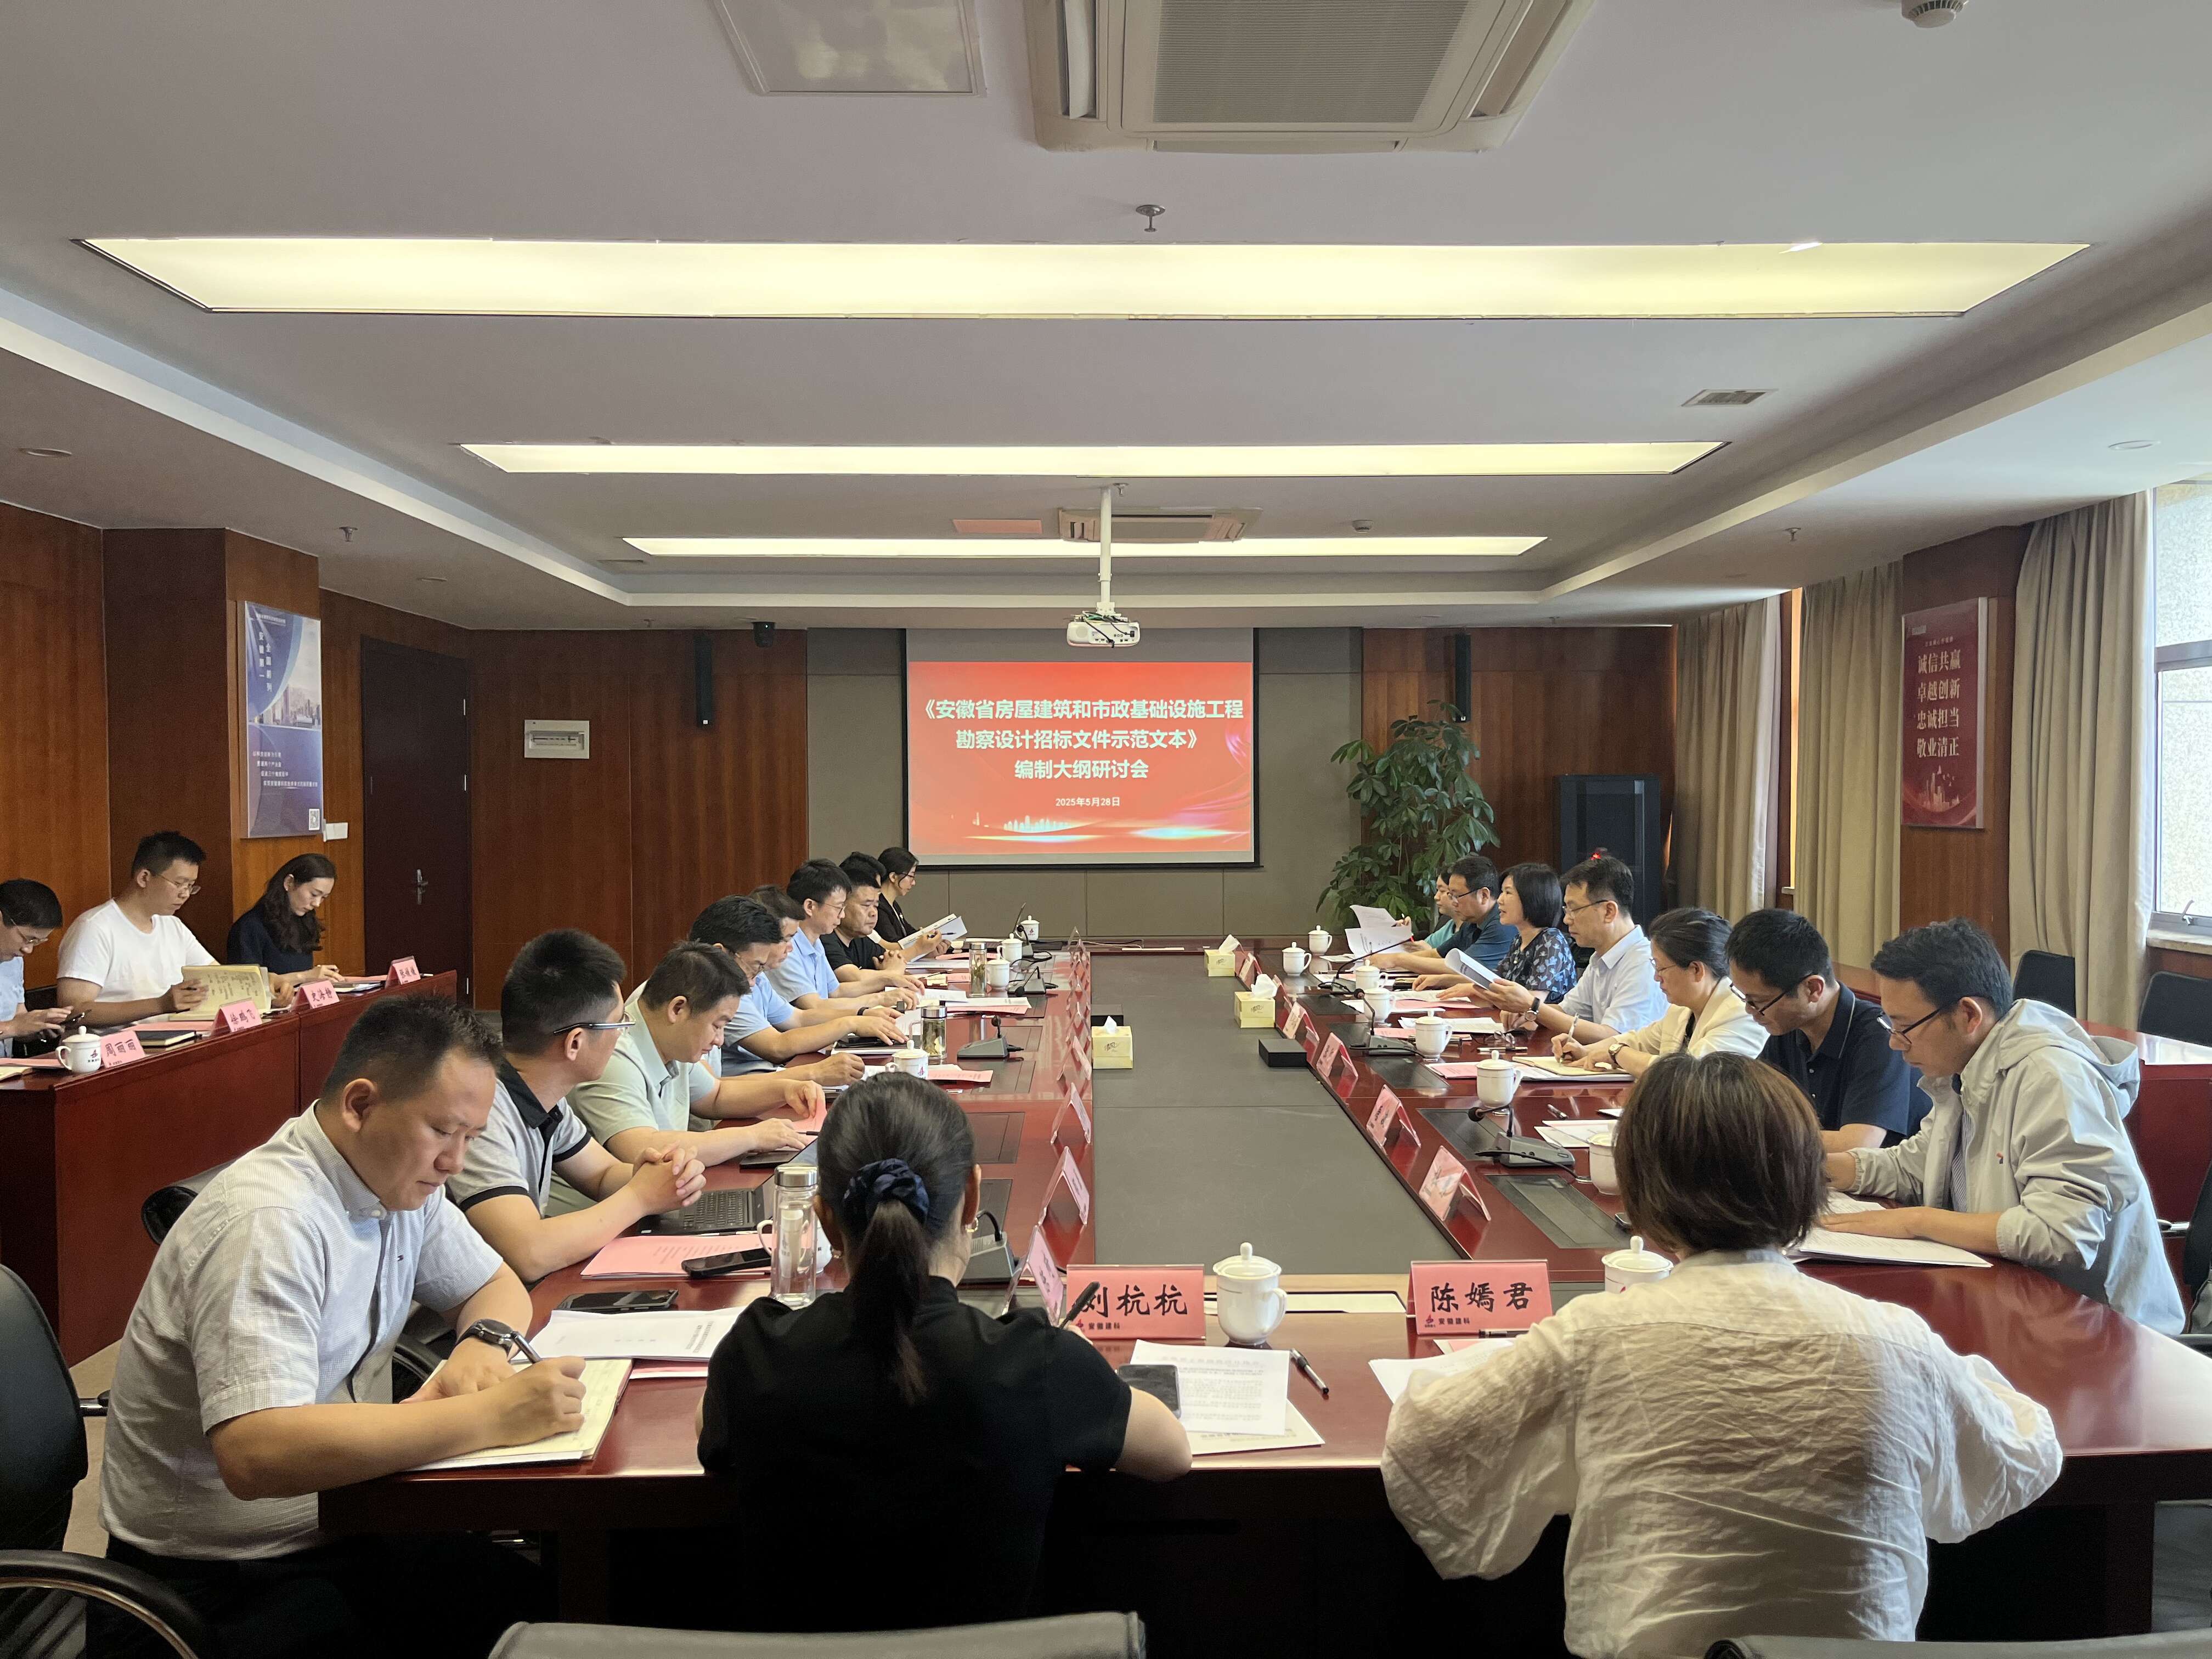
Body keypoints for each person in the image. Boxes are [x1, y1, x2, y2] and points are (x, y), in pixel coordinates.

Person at [1383, 1052, 2061, 1658]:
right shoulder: (1896, 1341)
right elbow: (2021, 1454)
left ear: (1643, 1189)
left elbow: (1433, 1442)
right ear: (1805, 1182)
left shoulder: (1594, 1337)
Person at [93, 994, 588, 1659]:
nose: (456, 1162)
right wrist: (490, 1416)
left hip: (351, 1518)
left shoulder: (395, 1178)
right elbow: (257, 1452)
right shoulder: (269, 1222)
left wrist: (483, 1344)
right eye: (444, 1132)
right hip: (221, 1582)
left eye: (472, 1138)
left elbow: (493, 1284)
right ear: (360, 1105)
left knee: (555, 1611)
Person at [696, 1073, 1190, 1630]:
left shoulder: (756, 1353)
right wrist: (1077, 1360)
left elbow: (709, 1424)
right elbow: (1172, 1452)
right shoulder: (1036, 1363)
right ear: (973, 1197)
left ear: (825, 1218)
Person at [1822, 917, 2184, 1332]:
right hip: (2014, 1305)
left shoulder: (2050, 1077)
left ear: (1968, 1015)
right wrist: (1817, 1168)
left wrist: (1916, 1221)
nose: (1894, 1042)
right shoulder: (1964, 1066)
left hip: (2105, 1332)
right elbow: (1916, 1166)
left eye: (1905, 1027)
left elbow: (2061, 1233)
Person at [449, 930, 707, 1282]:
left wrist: (657, 1175)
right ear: (575, 1043)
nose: (622, 1034)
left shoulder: (545, 1096)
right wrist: (640, 1197)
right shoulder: (482, 1112)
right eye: (618, 1023)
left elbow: (601, 1175)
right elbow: (529, 1253)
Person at [552, 943, 812, 1216]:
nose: (720, 1040)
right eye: (718, 1025)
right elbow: (642, 1148)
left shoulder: (671, 1042)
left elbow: (715, 1096)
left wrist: (785, 1090)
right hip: (604, 1221)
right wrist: (752, 1137)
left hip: (647, 1207)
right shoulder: (613, 1056)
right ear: (678, 1009)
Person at [1727, 907, 1927, 1150]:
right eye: (1745, 998)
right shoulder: (1787, 1026)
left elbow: (1858, 1145)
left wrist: (1758, 1135)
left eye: (1758, 1001)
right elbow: (1747, 1105)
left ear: (1813, 989)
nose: (1750, 1010)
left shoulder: (1879, 1036)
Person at [690, 895, 902, 1082]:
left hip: (763, 1078)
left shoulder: (753, 978)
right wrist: (851, 1022)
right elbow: (776, 1047)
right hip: (752, 1081)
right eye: (785, 939)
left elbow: (798, 1018)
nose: (790, 948)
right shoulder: (715, 994)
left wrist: (860, 1015)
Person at [1476, 856, 1667, 1044]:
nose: (1567, 920)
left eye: (1574, 910)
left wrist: (1532, 1007)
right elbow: (1567, 1012)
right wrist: (1526, 1012)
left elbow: (1613, 1038)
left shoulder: (1643, 963)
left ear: (1609, 911)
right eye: (1566, 909)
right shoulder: (1601, 958)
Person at [1556, 907, 1762, 1076]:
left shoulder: (1740, 1013)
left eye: (1661, 968)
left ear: (1696, 970)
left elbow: (1690, 1073)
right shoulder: (1681, 1010)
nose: (1656, 977)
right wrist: (1585, 1051)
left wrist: (1617, 1053)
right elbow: (1639, 1041)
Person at [55, 830, 215, 1025]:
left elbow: (216, 977)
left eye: (190, 886)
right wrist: (160, 1005)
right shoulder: (94, 928)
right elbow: (73, 1011)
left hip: (172, 1037)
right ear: (144, 878)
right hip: (115, 1042)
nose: (185, 894)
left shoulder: (173, 926)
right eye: (179, 884)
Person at [1413, 863, 1577, 1005]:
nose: (1500, 900)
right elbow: (1493, 981)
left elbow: (1531, 1003)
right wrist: (1443, 980)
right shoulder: (1519, 940)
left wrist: (1472, 989)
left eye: (1508, 893)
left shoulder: (1550, 941)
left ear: (1533, 898)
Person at [766, 860, 920, 1011]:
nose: (842, 915)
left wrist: (889, 980)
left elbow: (836, 991)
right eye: (839, 907)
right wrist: (879, 998)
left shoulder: (815, 941)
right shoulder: (786, 949)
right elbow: (815, 1006)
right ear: (810, 906)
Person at [225, 854, 346, 998]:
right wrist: (306, 976)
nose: (317, 904)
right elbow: (247, 985)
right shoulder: (250, 926)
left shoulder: (304, 920)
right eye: (314, 894)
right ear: (289, 883)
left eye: (324, 897)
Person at [1373, 855, 1515, 976]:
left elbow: (1463, 968)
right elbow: (1437, 954)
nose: (1453, 902)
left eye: (1456, 896)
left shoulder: (1501, 924)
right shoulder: (1471, 922)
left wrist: (1398, 959)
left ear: (1483, 895)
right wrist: (1389, 958)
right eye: (1450, 895)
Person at [1, 878, 70, 1056]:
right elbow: (12, 1026)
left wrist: (39, 1025)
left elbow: (17, 1019)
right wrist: (12, 1027)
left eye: (37, 942)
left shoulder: (14, 960)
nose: (28, 950)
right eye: (28, 939)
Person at [875, 846, 923, 942]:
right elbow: (893, 941)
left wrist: (923, 935)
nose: (913, 883)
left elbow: (908, 932)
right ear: (893, 877)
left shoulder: (894, 905)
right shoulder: (878, 907)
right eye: (911, 876)